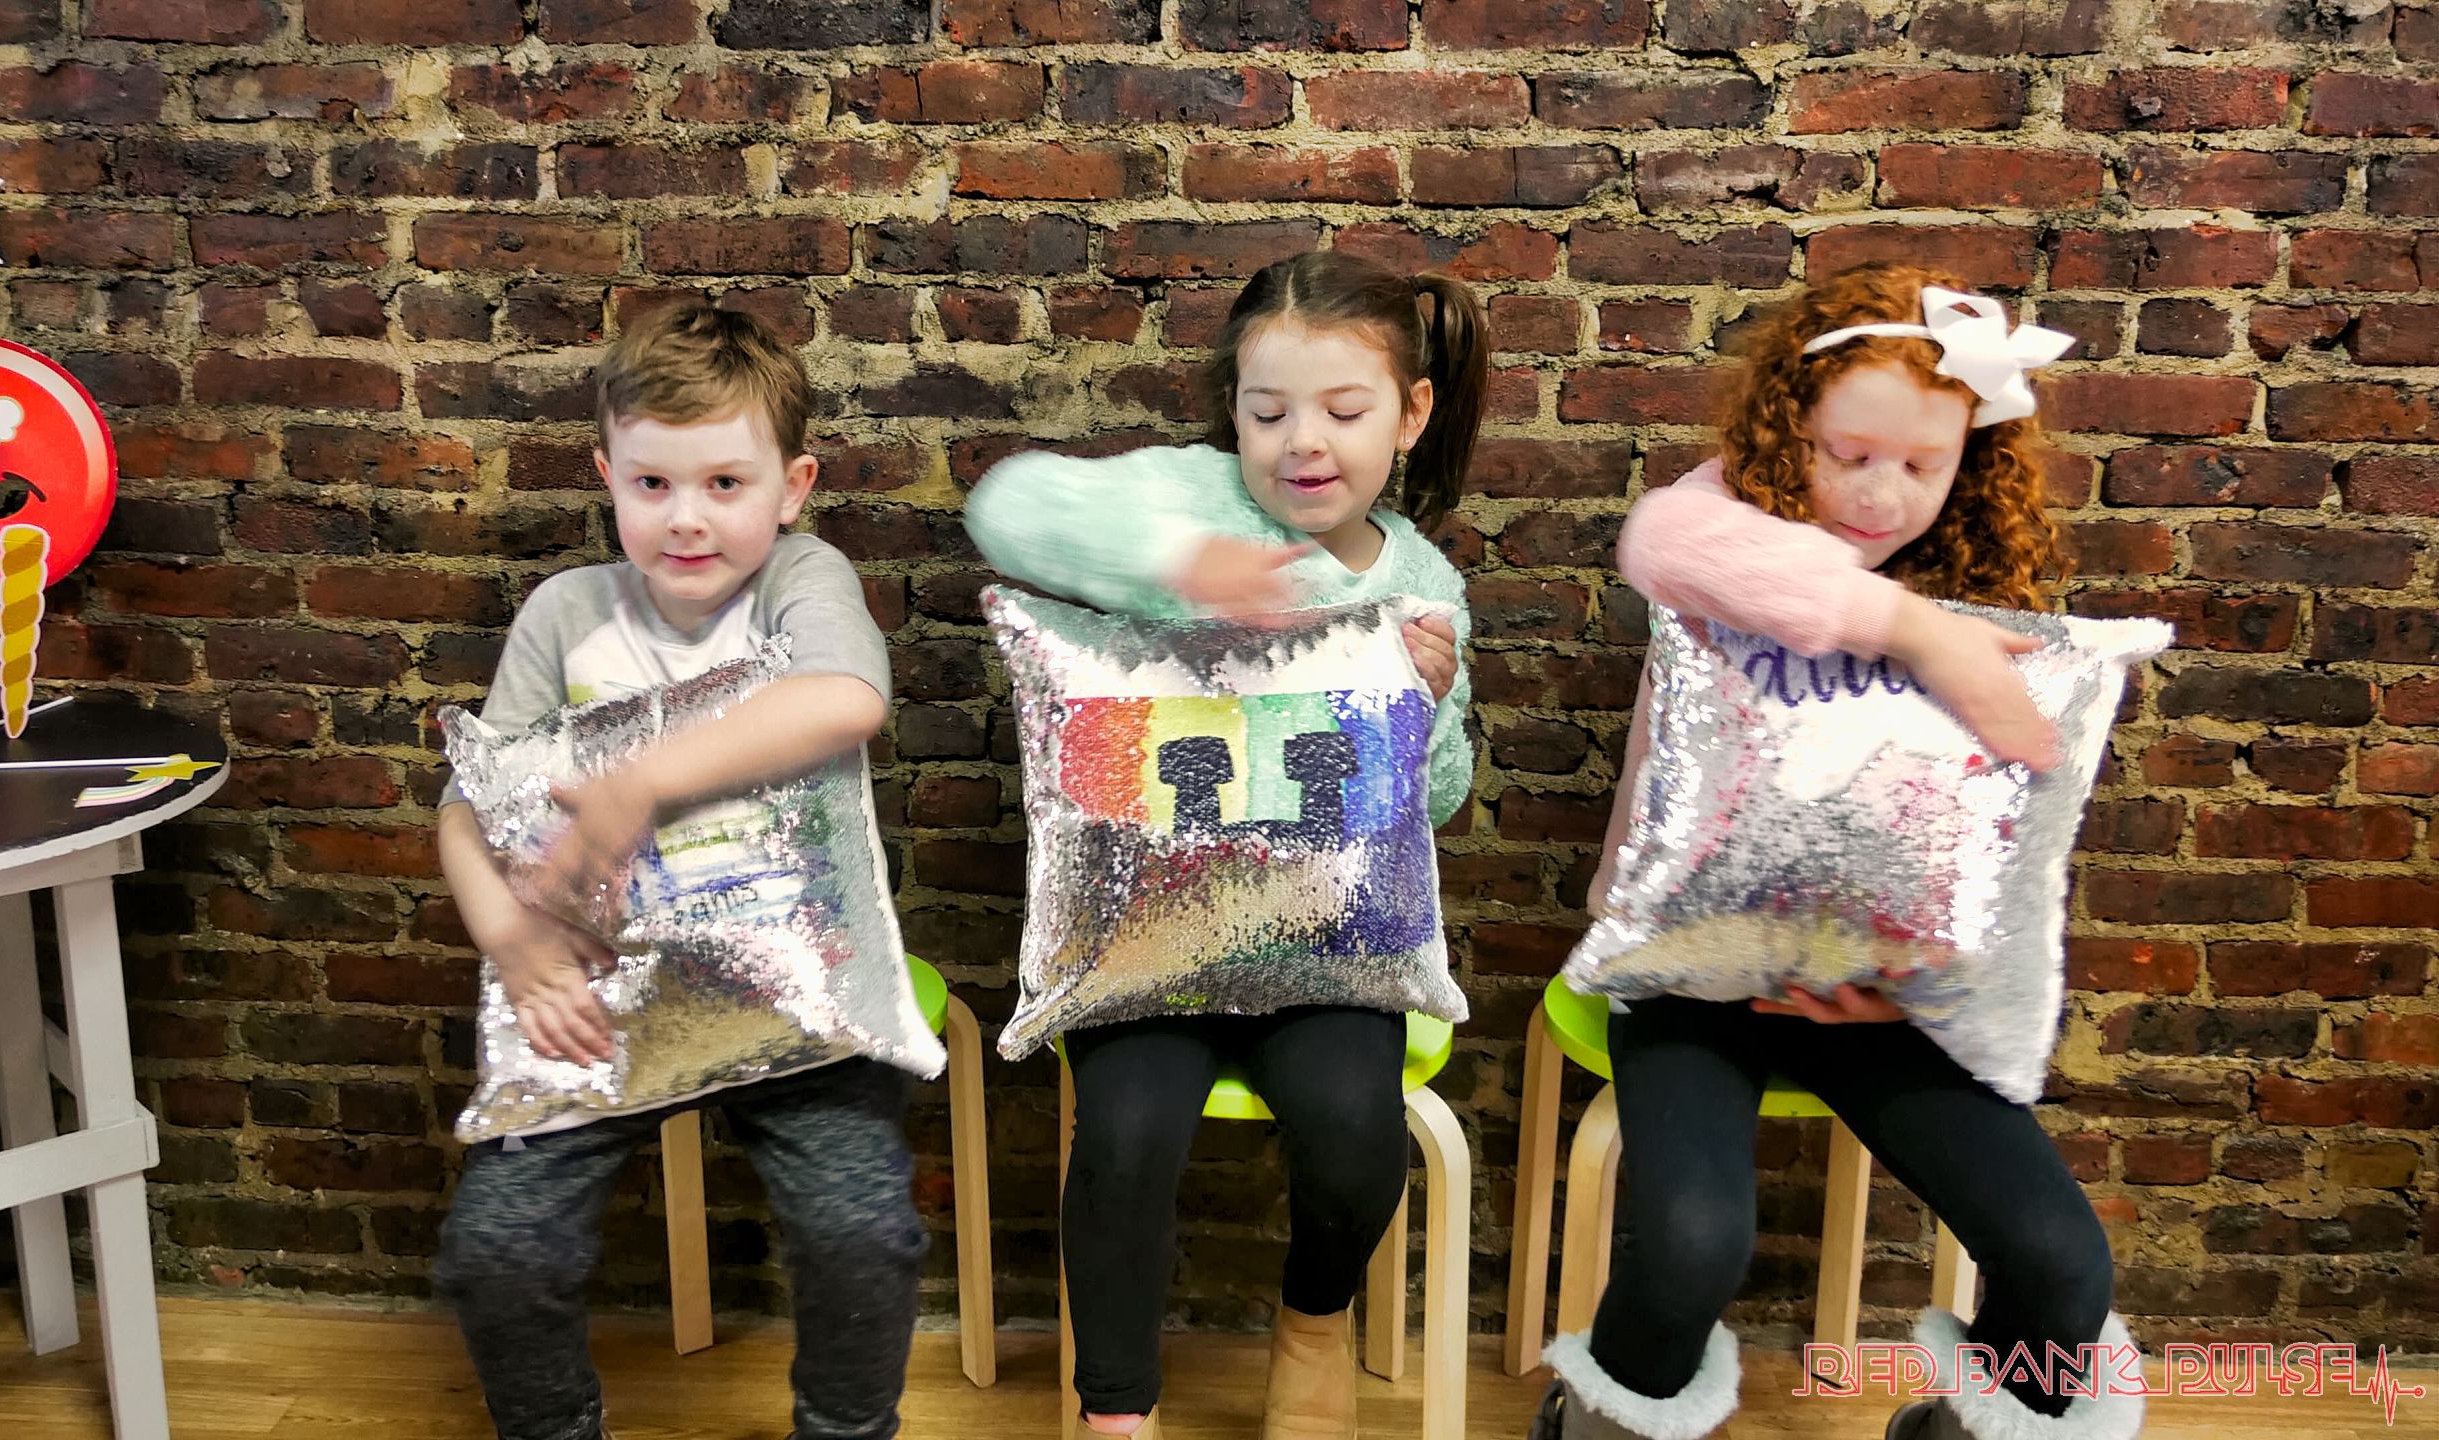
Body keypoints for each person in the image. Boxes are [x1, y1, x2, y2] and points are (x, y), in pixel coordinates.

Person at [1530, 262, 2144, 1440]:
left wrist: (1919, 981)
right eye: (1845, 452)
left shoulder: (1979, 579)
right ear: (1784, 429)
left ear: (1969, 459)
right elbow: (1661, 540)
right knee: (1692, 1245)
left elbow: (1992, 849)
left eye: (1921, 464)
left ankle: (1956, 1434)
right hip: (1695, 978)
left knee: (2061, 1264)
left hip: (1874, 999)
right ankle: (1590, 1425)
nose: (1877, 494)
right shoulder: (1724, 527)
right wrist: (1916, 633)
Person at [964, 249, 1489, 1440]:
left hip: (1327, 942)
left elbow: (1437, 806)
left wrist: (1428, 707)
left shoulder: (1422, 582)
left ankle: (1313, 1322)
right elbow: (1005, 507)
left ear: (1409, 415)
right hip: (1150, 932)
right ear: (1234, 414)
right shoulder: (1193, 498)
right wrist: (1179, 563)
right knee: (1124, 1138)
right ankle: (1116, 1410)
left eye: (1343, 411)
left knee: (1353, 1134)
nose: (1303, 443)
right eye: (1268, 412)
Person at [431, 299, 925, 1440]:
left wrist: (638, 785)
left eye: (725, 484)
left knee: (864, 1234)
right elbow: (468, 808)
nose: (686, 518)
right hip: (597, 1006)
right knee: (498, 1250)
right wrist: (509, 941)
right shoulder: (567, 615)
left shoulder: (802, 579)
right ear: (607, 476)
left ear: (792, 487)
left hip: (795, 1000)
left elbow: (847, 700)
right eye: (652, 484)